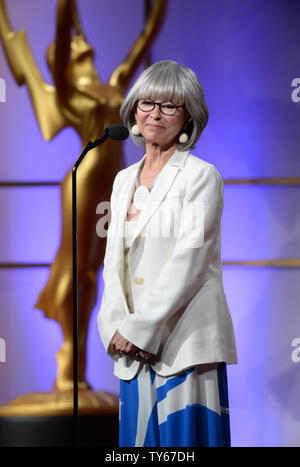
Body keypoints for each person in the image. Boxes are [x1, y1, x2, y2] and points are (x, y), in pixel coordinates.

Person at [98, 60, 237, 447]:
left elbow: (189, 260)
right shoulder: (123, 179)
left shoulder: (200, 175)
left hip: (184, 344)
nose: (155, 114)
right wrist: (114, 326)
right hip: (131, 348)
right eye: (146, 103)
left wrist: (143, 327)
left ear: (188, 116)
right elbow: (113, 264)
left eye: (170, 106)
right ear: (133, 111)